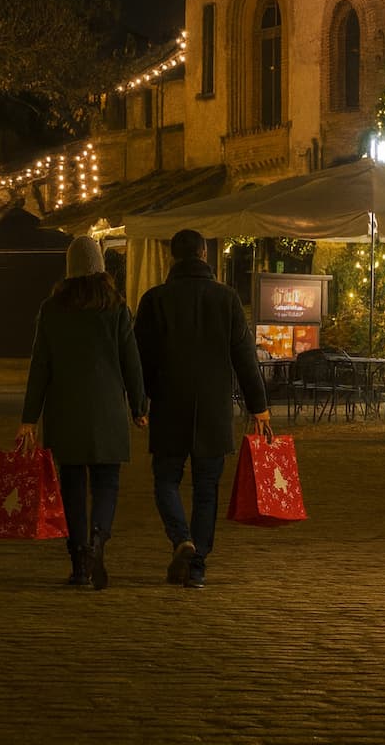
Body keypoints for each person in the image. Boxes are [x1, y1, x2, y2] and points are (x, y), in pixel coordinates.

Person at [133, 228, 271, 590]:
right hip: (212, 408)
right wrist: (259, 407)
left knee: (165, 479)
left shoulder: (154, 300)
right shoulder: (226, 299)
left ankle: (182, 538)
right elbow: (244, 358)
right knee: (207, 487)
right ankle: (197, 567)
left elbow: (140, 357)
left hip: (168, 402)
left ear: (172, 257)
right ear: (204, 255)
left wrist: (141, 399)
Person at [17, 235, 148, 590]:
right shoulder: (116, 308)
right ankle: (98, 539)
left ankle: (78, 561)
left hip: (65, 409)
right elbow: (130, 361)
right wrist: (139, 406)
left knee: (72, 484)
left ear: (69, 268)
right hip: (107, 408)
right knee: (107, 481)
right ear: (101, 267)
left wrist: (29, 417)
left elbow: (40, 365)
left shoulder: (52, 308)